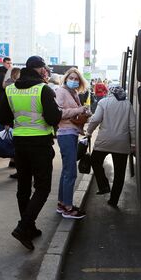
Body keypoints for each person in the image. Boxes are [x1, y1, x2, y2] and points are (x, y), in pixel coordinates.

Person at [0, 55, 62, 250]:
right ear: (39, 69)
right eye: (44, 68)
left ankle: (30, 227)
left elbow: (2, 117)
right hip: (40, 143)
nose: (46, 71)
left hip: (20, 143)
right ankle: (23, 227)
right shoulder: (43, 89)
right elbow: (53, 119)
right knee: (42, 187)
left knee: (23, 187)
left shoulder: (10, 89)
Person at [86, 84, 135, 207]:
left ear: (110, 92)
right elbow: (133, 126)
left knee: (95, 160)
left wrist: (89, 132)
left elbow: (96, 119)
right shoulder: (127, 104)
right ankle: (113, 201)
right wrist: (133, 143)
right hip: (122, 143)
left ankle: (104, 185)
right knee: (120, 173)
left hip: (104, 140)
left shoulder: (103, 102)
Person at [55, 68, 90, 219]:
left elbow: (73, 112)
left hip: (71, 132)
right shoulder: (61, 91)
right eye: (72, 78)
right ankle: (68, 208)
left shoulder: (73, 92)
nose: (74, 81)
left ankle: (62, 203)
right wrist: (79, 110)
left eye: (77, 79)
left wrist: (84, 113)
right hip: (65, 133)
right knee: (70, 172)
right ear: (66, 78)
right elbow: (59, 113)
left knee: (66, 171)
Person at [3, 67, 21, 178]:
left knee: (13, 143)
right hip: (15, 121)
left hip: (14, 121)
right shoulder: (12, 86)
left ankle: (13, 161)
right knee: (14, 144)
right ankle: (13, 161)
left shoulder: (9, 85)